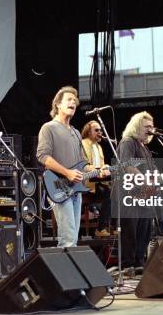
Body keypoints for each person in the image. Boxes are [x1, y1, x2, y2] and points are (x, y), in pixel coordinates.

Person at [36, 86, 109, 247]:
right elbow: (42, 156)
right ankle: (61, 272)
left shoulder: (76, 132)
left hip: (76, 190)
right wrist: (67, 173)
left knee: (72, 239)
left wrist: (99, 171)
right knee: (68, 239)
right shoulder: (48, 128)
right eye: (69, 100)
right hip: (58, 187)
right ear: (58, 105)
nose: (73, 103)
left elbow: (83, 163)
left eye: (75, 101)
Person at [117, 111, 156, 272]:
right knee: (130, 231)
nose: (151, 130)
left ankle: (139, 263)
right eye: (147, 126)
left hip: (144, 195)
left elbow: (153, 170)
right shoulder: (128, 142)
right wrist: (145, 180)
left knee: (145, 229)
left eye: (152, 127)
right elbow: (127, 165)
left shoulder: (144, 148)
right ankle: (128, 265)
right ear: (137, 126)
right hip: (128, 193)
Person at [81, 120, 112, 237]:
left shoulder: (99, 147)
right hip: (85, 184)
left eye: (101, 130)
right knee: (109, 194)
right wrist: (98, 170)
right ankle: (101, 228)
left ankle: (109, 227)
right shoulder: (82, 144)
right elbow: (84, 165)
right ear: (89, 132)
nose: (100, 132)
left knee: (116, 192)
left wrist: (106, 167)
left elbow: (101, 164)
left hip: (98, 182)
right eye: (97, 130)